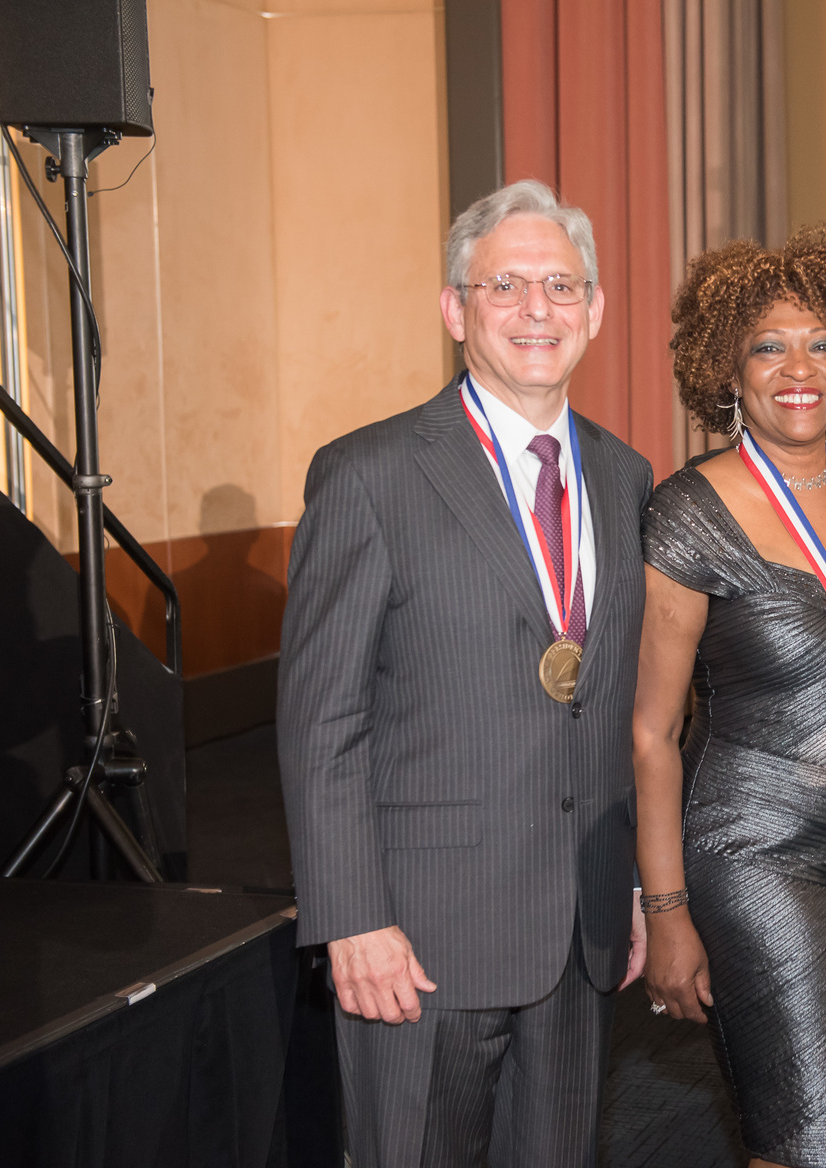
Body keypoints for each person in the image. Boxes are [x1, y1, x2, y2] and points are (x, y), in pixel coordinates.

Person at [278, 180, 651, 1167]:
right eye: (506, 286)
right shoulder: (370, 475)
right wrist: (352, 917)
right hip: (420, 941)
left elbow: (617, 709)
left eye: (562, 286)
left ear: (597, 310)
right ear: (455, 309)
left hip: (580, 930)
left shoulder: (625, 477)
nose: (539, 310)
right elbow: (323, 723)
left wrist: (635, 886)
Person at [632, 230, 826, 1168]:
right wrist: (666, 907)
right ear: (728, 367)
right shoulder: (688, 510)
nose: (799, 368)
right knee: (798, 1132)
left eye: (824, 343)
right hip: (760, 857)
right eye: (769, 345)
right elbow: (650, 731)